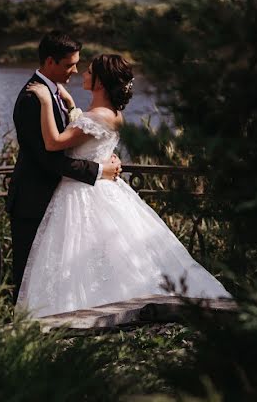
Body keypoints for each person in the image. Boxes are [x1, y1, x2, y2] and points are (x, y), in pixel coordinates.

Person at [16, 53, 231, 318]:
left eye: (89, 71)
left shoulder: (94, 117)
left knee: (80, 259)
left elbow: (53, 142)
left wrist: (46, 100)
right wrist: (72, 106)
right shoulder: (114, 115)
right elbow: (91, 141)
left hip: (81, 193)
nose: (82, 73)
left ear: (100, 83)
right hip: (104, 188)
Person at [6, 31, 123, 302]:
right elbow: (47, 158)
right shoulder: (33, 97)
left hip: (61, 203)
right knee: (29, 279)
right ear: (50, 61)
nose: (75, 70)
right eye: (70, 64)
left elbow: (78, 134)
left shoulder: (55, 92)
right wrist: (98, 170)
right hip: (33, 202)